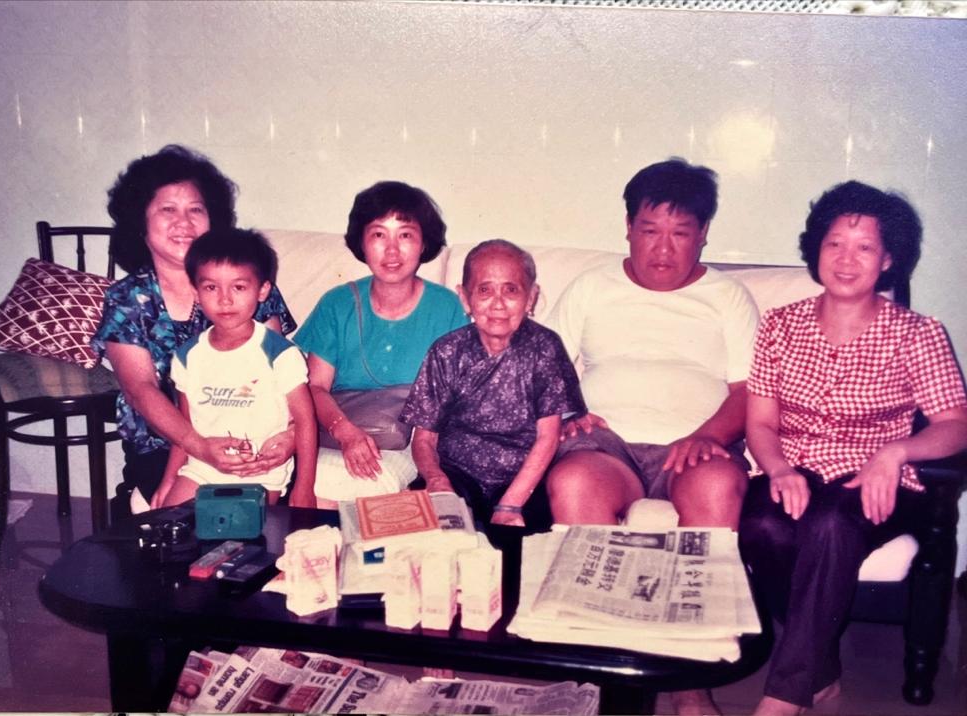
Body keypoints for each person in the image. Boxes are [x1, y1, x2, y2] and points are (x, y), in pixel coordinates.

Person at [738, 181, 967, 716]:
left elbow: (956, 425)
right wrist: (777, 470)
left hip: (876, 480)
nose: (846, 259)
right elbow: (762, 423)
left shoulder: (917, 334)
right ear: (816, 250)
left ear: (888, 260)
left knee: (830, 524)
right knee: (761, 525)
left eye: (864, 247)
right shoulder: (780, 325)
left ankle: (783, 696)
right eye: (834, 243)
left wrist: (895, 454)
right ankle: (821, 672)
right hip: (794, 468)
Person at [544, 158, 760, 715]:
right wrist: (566, 414)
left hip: (697, 446)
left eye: (680, 234)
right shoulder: (592, 286)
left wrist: (707, 434)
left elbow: (748, 392)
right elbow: (547, 369)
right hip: (604, 445)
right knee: (571, 482)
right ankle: (598, 668)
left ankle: (689, 682)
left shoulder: (727, 297)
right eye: (650, 231)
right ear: (628, 226)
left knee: (716, 491)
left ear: (704, 234)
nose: (663, 249)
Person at [93, 145, 296, 519]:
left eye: (195, 210)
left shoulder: (243, 283)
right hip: (163, 446)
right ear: (140, 221)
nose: (183, 222)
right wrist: (197, 446)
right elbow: (141, 391)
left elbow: (280, 376)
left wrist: (289, 436)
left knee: (250, 528)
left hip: (252, 439)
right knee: (193, 528)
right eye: (167, 210)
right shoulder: (126, 299)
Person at [293, 181, 467, 506]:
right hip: (335, 433)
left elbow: (455, 398)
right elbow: (314, 387)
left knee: (365, 486)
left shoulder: (448, 308)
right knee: (323, 490)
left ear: (423, 242)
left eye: (405, 235)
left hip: (407, 441)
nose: (391, 250)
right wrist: (346, 434)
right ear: (361, 242)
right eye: (378, 235)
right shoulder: (336, 303)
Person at [401, 240, 585, 529]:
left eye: (511, 290)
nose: (498, 303)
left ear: (531, 298)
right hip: (456, 473)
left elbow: (547, 437)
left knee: (521, 549)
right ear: (465, 298)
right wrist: (437, 481)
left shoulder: (545, 348)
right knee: (429, 538)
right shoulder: (447, 351)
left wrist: (510, 504)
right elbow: (424, 439)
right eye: (485, 290)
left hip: (524, 479)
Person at [150, 228, 317, 509]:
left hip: (259, 475)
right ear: (196, 292)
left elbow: (305, 422)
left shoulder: (281, 354)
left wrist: (304, 488)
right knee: (170, 529)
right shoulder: (187, 356)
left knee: (235, 538)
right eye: (211, 287)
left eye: (238, 287)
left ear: (262, 290)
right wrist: (169, 480)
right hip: (202, 469)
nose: (225, 299)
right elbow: (184, 427)